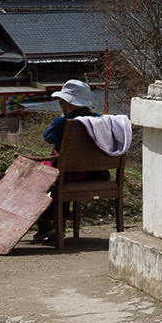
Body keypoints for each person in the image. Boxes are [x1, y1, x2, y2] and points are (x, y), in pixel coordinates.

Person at [32, 79, 106, 244]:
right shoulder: (101, 121)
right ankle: (60, 224)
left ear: (70, 103)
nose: (60, 104)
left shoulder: (63, 123)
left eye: (62, 101)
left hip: (68, 175)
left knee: (42, 176)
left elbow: (48, 137)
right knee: (58, 176)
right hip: (92, 174)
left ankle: (47, 224)